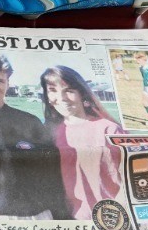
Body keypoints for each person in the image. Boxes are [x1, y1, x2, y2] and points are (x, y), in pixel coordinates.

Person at [0, 50, 68, 219]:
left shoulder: (30, 121)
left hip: (35, 215)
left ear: (8, 82)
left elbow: (53, 174)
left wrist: (59, 215)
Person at [40, 66, 124, 220]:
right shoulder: (48, 133)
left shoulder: (108, 129)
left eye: (69, 90)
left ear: (82, 93)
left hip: (109, 217)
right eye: (52, 90)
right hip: (67, 219)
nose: (62, 98)